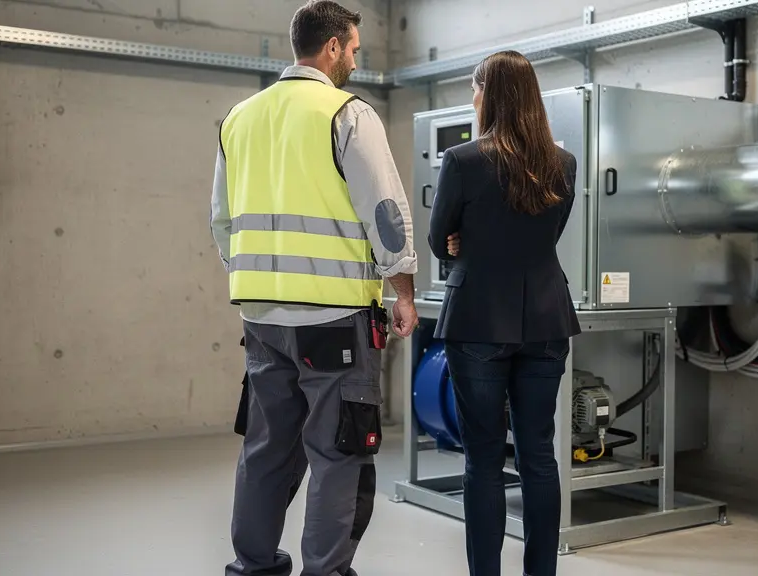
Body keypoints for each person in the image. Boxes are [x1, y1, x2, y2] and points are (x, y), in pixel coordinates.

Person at [210, 2, 418, 575]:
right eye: (353, 49)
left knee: (266, 447)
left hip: (260, 320)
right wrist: (402, 290)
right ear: (331, 47)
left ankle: (252, 564)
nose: (355, 59)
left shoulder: (239, 118)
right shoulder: (347, 114)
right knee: (338, 453)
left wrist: (254, 278)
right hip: (334, 320)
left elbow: (221, 221)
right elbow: (385, 214)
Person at [427, 50, 581, 576]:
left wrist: (460, 241)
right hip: (546, 319)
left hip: (476, 320)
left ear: (486, 95)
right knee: (538, 454)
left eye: (474, 89)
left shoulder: (462, 161)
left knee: (484, 459)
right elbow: (550, 234)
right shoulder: (563, 163)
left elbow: (439, 240)